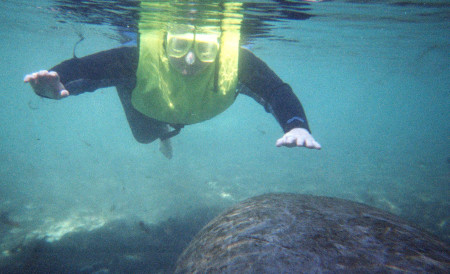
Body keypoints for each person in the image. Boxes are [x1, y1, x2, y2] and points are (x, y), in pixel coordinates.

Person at [24, 5, 321, 159]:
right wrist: (53, 84)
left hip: (176, 105)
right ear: (164, 41)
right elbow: (87, 69)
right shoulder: (140, 58)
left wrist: (295, 125)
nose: (190, 59)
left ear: (220, 45)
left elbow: (275, 91)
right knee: (144, 136)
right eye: (179, 46)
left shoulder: (237, 62)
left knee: (145, 133)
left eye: (205, 48)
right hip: (147, 100)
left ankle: (163, 129)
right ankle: (159, 128)